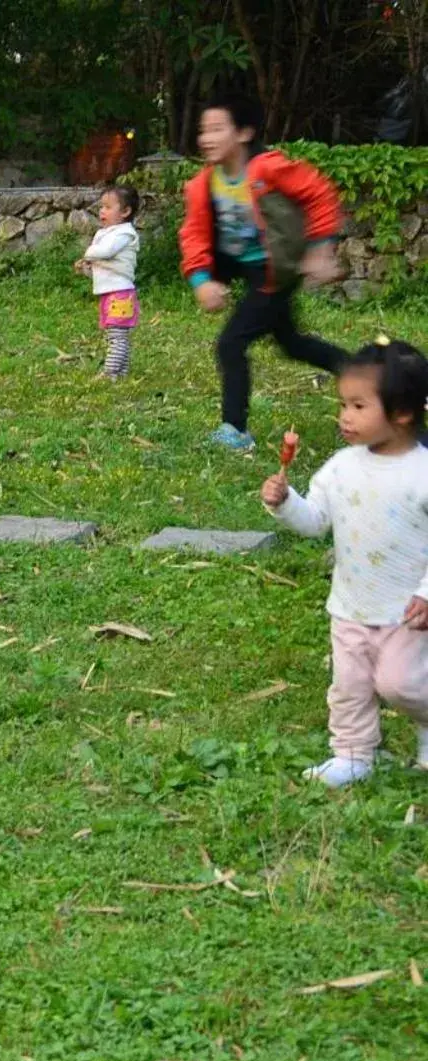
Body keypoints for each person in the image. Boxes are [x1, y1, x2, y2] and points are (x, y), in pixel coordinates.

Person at [262, 339, 428, 788]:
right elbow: (316, 522)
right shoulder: (340, 467)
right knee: (349, 687)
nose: (345, 416)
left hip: (407, 612)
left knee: (402, 684)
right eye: (342, 404)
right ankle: (353, 754)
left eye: (358, 405)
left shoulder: (422, 473)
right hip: (350, 606)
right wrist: (285, 503)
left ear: (403, 413)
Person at [180, 95, 345, 454]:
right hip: (242, 267)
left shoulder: (268, 168)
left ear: (244, 132)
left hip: (275, 271)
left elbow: (319, 194)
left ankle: (235, 429)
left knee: (231, 343)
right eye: (202, 130)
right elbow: (193, 234)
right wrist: (201, 280)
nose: (206, 138)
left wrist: (321, 248)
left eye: (216, 129)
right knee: (291, 343)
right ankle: (359, 370)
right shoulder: (202, 185)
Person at [74, 185, 141, 380]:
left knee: (117, 337)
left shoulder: (124, 233)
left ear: (125, 211)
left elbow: (105, 252)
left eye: (108, 207)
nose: (102, 211)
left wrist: (89, 253)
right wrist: (87, 268)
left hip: (120, 294)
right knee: (117, 336)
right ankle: (121, 373)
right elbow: (104, 272)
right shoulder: (105, 234)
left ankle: (109, 372)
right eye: (101, 207)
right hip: (110, 293)